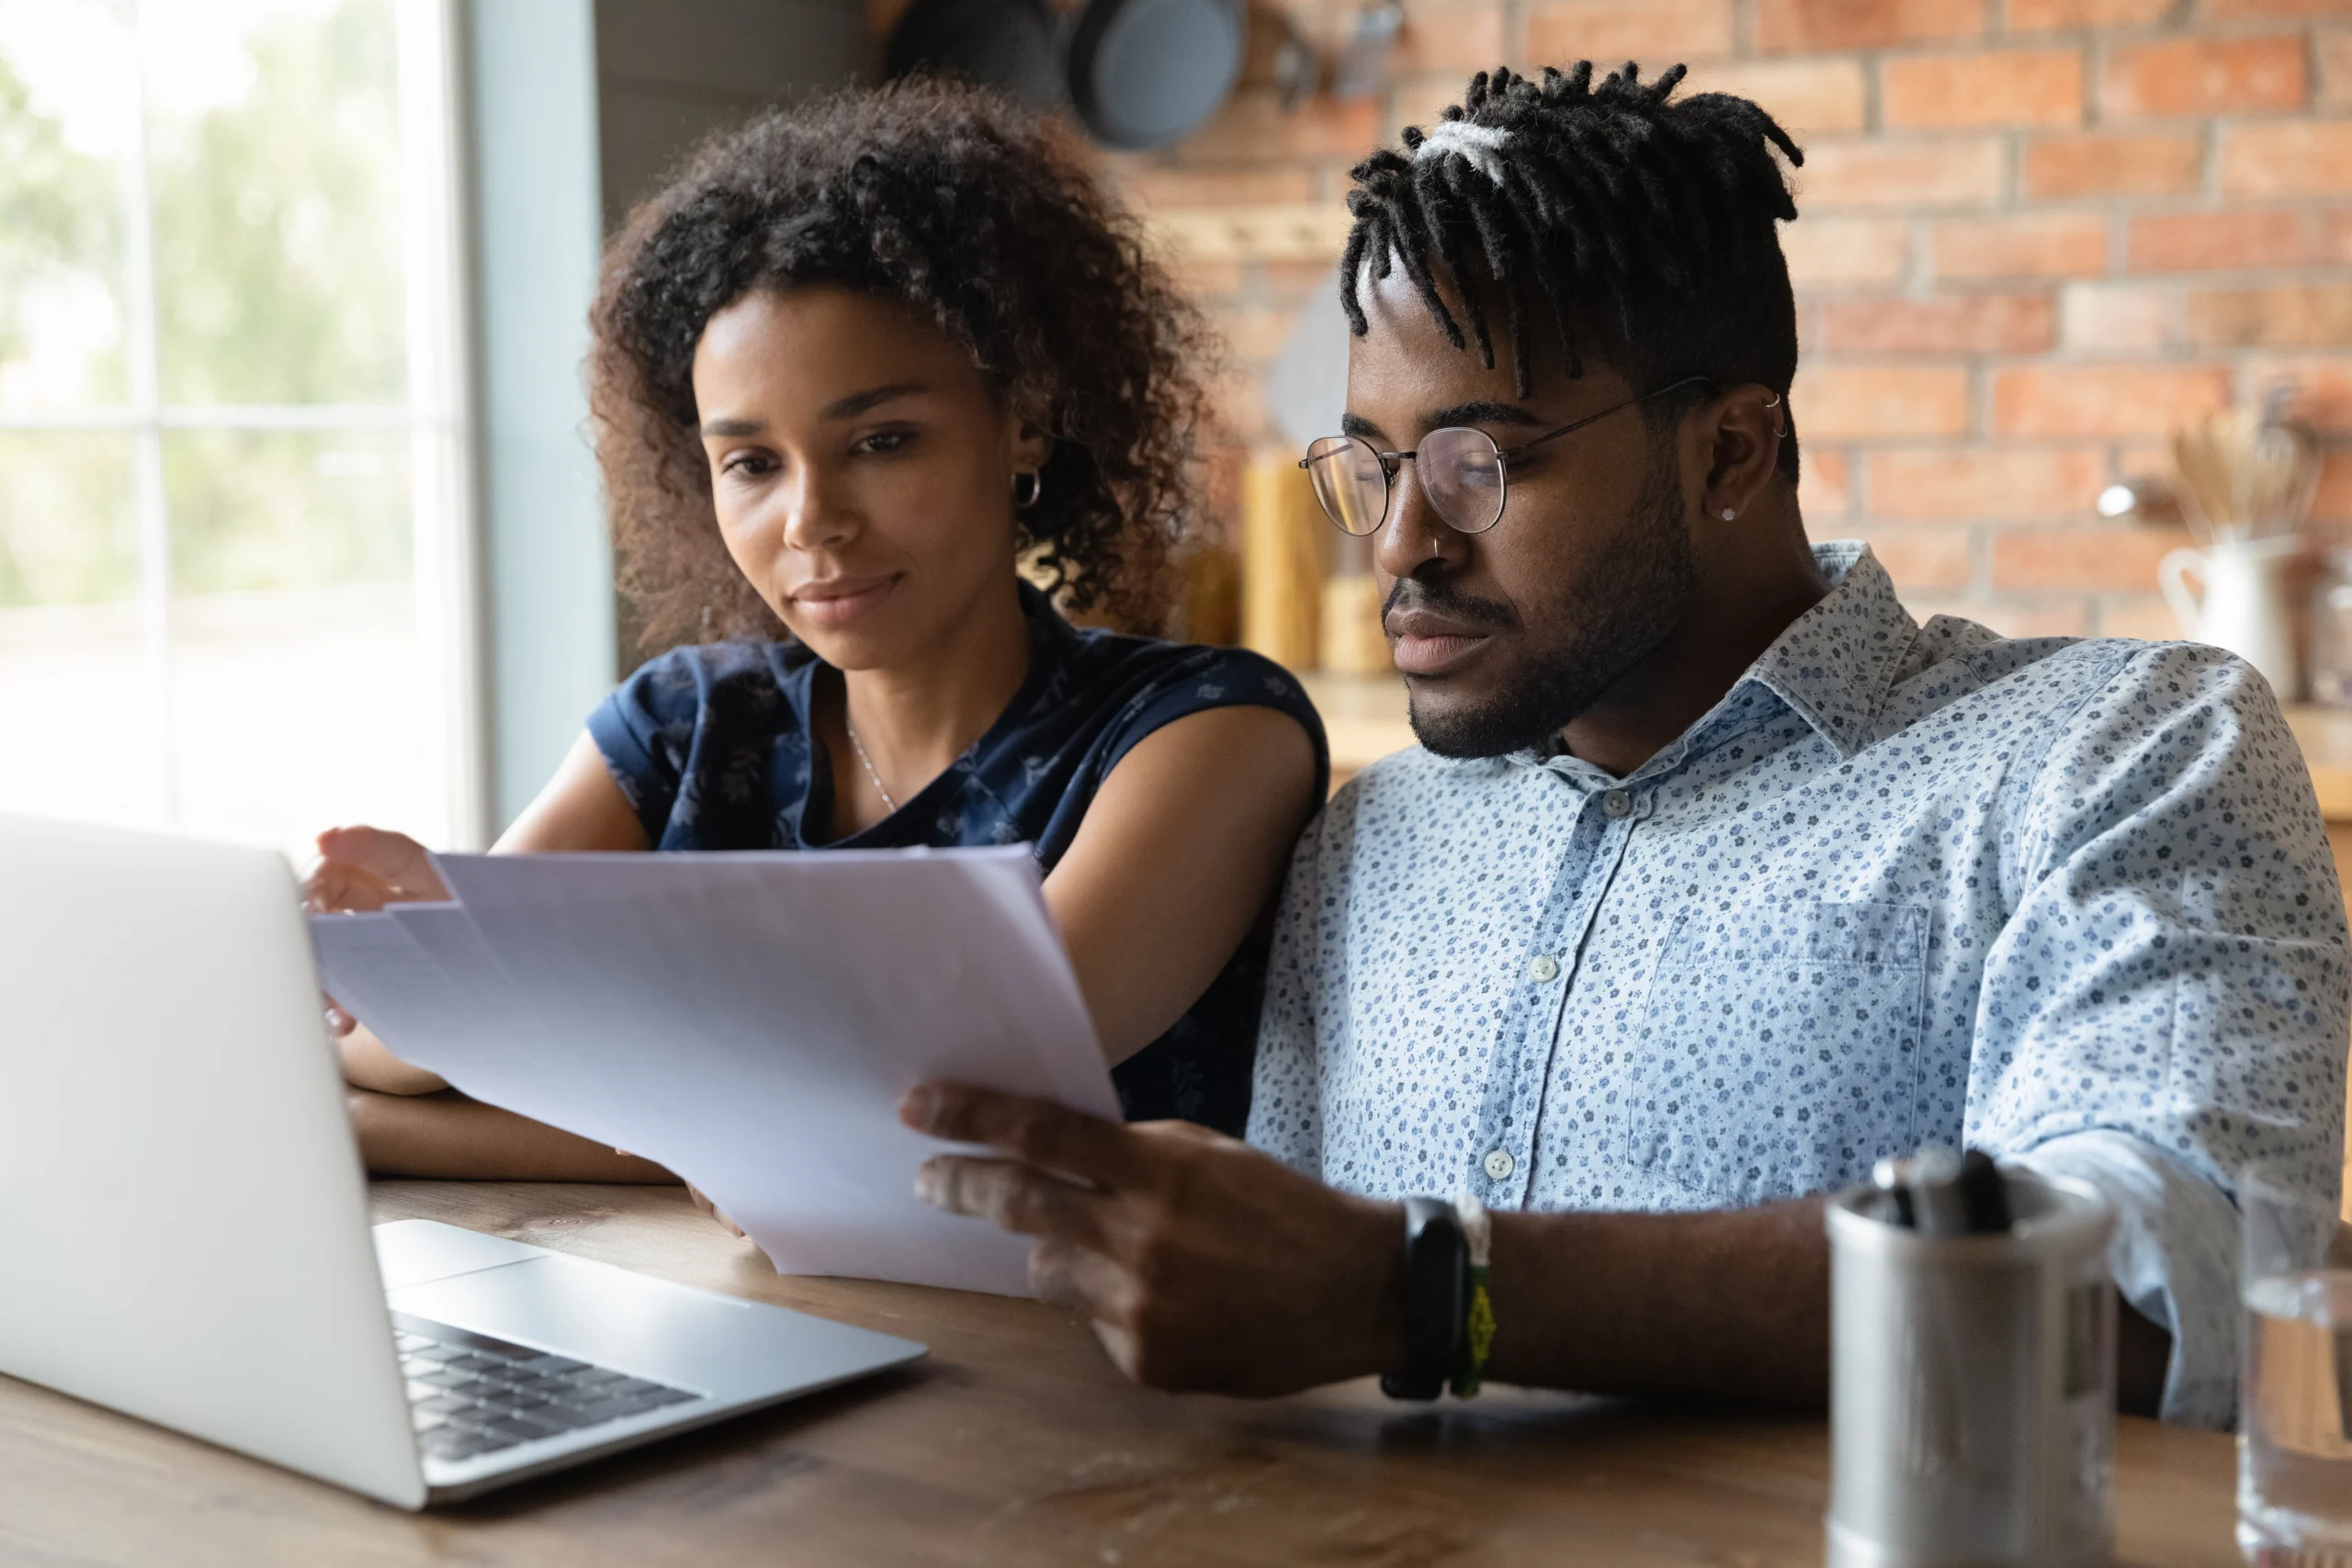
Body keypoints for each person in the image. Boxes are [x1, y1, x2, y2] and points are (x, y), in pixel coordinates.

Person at [900, 62, 2349, 1427]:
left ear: (1729, 451)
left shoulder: (2113, 754)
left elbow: (2166, 1288)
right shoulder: (1368, 838)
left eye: (1484, 462)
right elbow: (1274, 1317)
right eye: (1372, 464)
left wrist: (1426, 1287)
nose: (1398, 542)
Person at [311, 82, 1325, 1178]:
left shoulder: (1205, 733)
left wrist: (404, 1110)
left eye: (883, 441)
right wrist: (434, 952)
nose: (812, 522)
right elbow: (397, 1049)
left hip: (1073, 1343)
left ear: (1023, 420)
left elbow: (948, 1094)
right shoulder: (684, 727)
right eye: (750, 462)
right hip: (731, 1314)